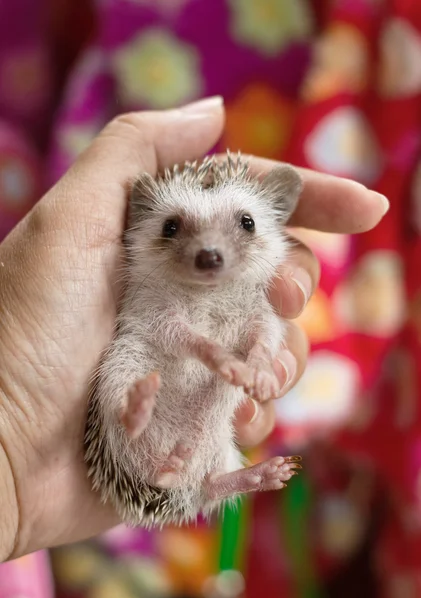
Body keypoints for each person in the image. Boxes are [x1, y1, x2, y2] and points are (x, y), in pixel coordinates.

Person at [0, 97, 388, 564]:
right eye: (172, 228)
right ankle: (134, 417)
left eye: (244, 224)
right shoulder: (148, 288)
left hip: (180, 438)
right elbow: (166, 330)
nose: (208, 249)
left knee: (229, 401)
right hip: (138, 406)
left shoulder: (260, 292)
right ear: (140, 229)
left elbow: (263, 335)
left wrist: (259, 363)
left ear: (274, 229)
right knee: (126, 367)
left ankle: (219, 480)